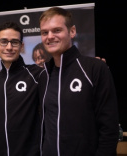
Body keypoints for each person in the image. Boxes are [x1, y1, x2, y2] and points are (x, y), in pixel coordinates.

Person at [38, 7, 119, 156]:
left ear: (72, 31)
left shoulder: (95, 68)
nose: (49, 36)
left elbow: (109, 128)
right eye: (44, 32)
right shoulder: (43, 75)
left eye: (56, 30)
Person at [0, 21, 44, 156]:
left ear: (22, 46)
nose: (9, 47)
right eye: (4, 42)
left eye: (14, 42)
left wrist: (92, 68)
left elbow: (64, 75)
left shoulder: (37, 74)